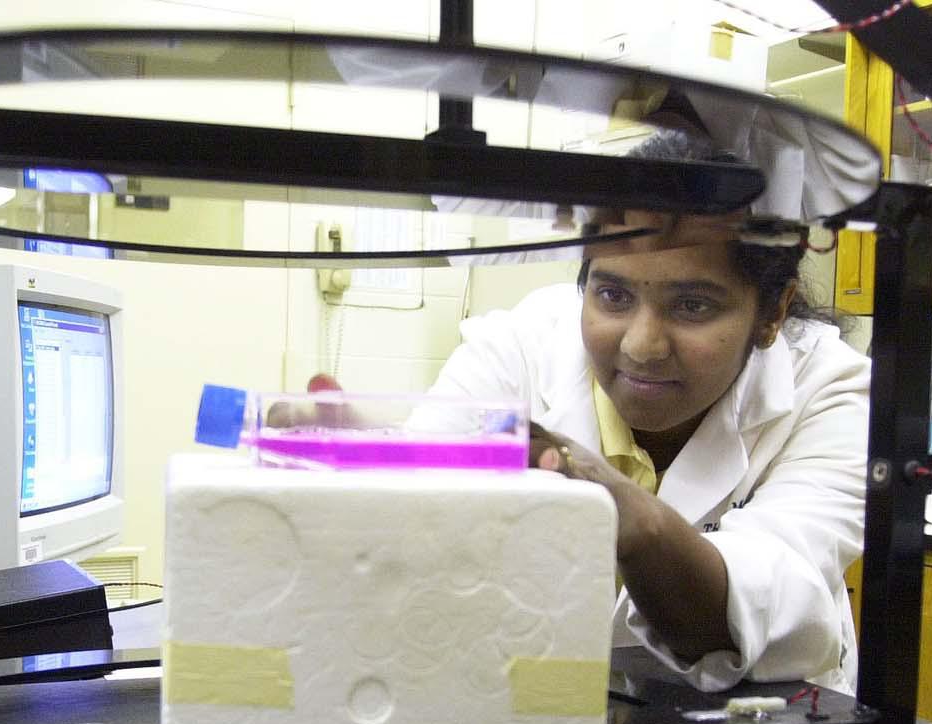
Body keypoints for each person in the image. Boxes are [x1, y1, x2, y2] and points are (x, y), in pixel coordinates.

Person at [320, 132, 868, 694]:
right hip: (552, 707)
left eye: (693, 305)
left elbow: (761, 600)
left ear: (772, 312)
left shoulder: (829, 390)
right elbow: (420, 510)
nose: (642, 345)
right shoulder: (516, 349)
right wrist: (366, 474)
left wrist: (629, 515)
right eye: (613, 296)